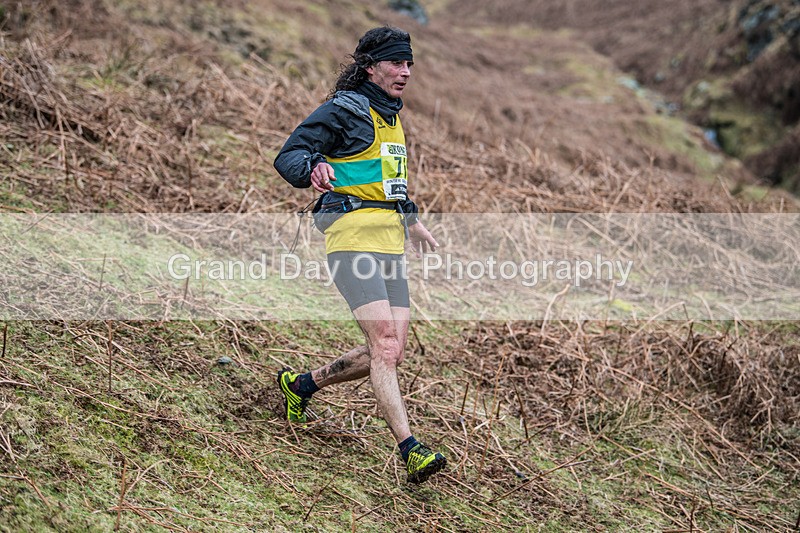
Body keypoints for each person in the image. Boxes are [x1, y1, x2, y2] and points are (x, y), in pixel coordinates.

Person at [273, 26, 446, 484]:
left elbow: (391, 184)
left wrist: (412, 221)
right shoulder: (343, 111)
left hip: (389, 243)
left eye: (409, 64)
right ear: (371, 66)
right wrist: (313, 166)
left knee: (390, 350)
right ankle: (411, 450)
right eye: (396, 63)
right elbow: (288, 155)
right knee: (385, 346)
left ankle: (301, 384)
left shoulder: (391, 118)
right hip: (352, 239)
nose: (405, 71)